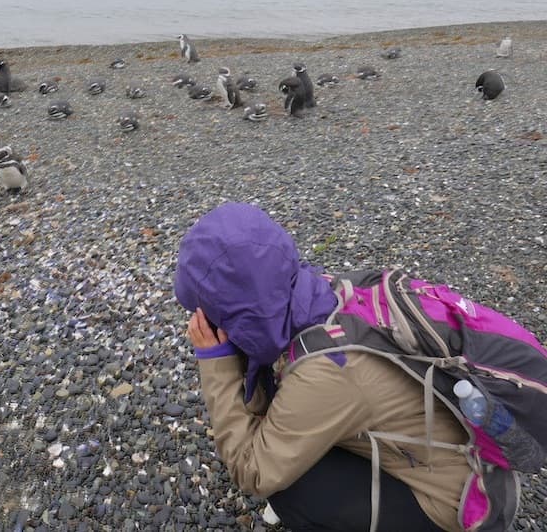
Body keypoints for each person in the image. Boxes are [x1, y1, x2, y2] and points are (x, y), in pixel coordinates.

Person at [175, 202, 474, 532]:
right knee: (292, 439)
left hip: (452, 500)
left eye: (208, 311)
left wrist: (217, 362)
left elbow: (254, 472)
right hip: (431, 451)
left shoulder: (328, 367)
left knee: (289, 489)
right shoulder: (316, 293)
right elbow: (268, 404)